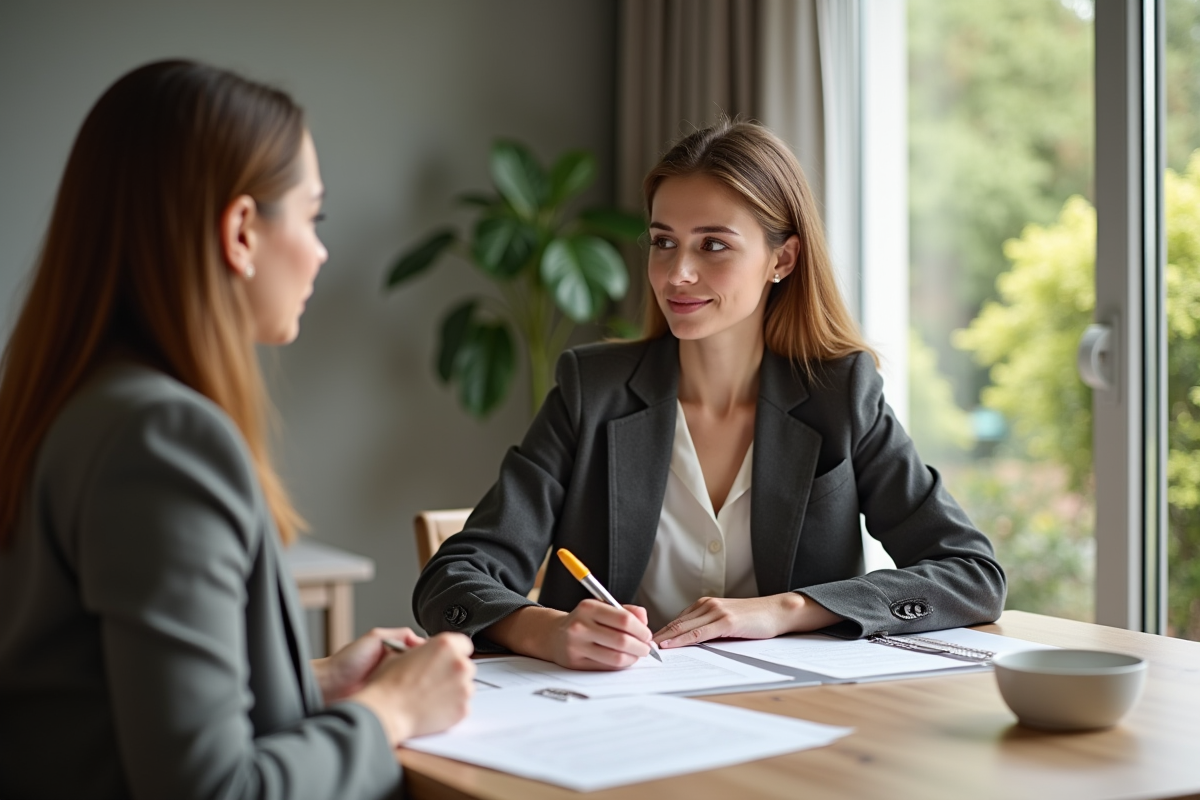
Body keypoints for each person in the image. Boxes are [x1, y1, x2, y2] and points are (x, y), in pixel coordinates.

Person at [0, 60, 475, 800]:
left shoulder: (74, 404)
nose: (320, 251)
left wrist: (316, 681)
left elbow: (102, 700)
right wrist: (392, 710)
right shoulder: (162, 439)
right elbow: (214, 790)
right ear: (242, 231)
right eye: (313, 218)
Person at [413, 119, 1006, 671]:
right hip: (611, 712)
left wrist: (787, 609)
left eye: (713, 245)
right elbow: (451, 579)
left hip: (793, 713)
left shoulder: (841, 394)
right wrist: (547, 629)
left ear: (782, 258)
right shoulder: (591, 392)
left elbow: (972, 574)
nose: (677, 274)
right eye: (663, 242)